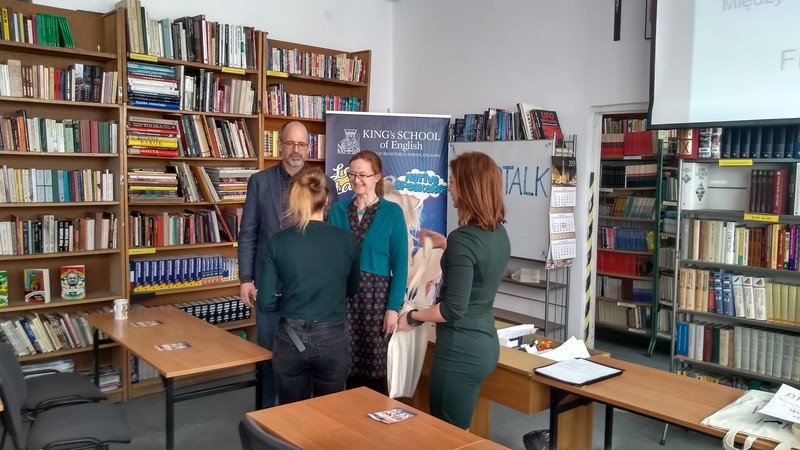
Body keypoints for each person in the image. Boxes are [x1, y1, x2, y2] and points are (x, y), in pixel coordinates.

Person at [397, 151, 511, 429]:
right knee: (459, 430)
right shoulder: (497, 232)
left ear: (469, 187)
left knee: (448, 434)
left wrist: (412, 317)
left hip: (460, 350)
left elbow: (452, 309)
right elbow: (478, 266)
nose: (449, 187)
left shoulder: (463, 239)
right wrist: (447, 246)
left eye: (453, 181)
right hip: (484, 341)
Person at [238, 121, 339, 407]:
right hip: (268, 287)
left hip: (309, 290)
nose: (296, 150)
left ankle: (300, 415)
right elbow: (248, 233)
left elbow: (332, 236)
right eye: (291, 143)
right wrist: (246, 278)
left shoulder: (324, 184)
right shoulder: (260, 182)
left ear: (309, 148)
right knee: (269, 354)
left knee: (304, 356)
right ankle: (265, 414)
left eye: (302, 144)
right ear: (280, 145)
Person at [256, 168, 359, 404]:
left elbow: (265, 302)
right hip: (333, 337)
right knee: (329, 412)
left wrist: (289, 298)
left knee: (291, 413)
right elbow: (352, 289)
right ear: (327, 199)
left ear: (294, 200)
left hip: (291, 336)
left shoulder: (279, 242)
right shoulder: (346, 239)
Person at [329, 150, 408, 394]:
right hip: (342, 298)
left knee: (374, 368)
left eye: (363, 174)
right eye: (352, 174)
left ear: (377, 177)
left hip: (376, 299)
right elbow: (327, 258)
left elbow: (400, 265)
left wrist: (393, 308)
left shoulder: (392, 213)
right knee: (342, 365)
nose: (356, 180)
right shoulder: (337, 211)